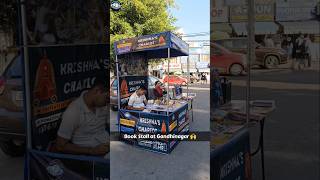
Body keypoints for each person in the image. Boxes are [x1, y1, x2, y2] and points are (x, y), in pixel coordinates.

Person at [56, 77, 109, 156]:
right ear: (97, 91)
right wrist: (91, 151)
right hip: (89, 157)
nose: (108, 102)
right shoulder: (74, 111)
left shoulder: (104, 105)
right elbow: (60, 146)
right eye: (107, 98)